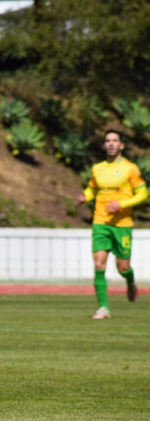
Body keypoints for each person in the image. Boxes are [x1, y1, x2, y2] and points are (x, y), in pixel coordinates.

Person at [76, 129, 146, 318]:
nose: (111, 144)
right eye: (108, 141)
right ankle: (103, 308)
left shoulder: (130, 168)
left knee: (122, 267)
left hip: (122, 224)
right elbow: (92, 189)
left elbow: (143, 194)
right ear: (104, 145)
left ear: (121, 145)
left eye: (115, 140)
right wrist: (86, 197)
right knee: (99, 263)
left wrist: (121, 204)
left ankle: (130, 281)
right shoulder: (97, 168)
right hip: (100, 222)